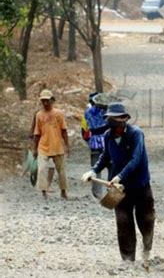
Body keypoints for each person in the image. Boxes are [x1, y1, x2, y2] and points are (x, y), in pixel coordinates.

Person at [81, 102, 155, 263]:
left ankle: (147, 247)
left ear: (124, 119)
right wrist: (94, 170)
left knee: (146, 220)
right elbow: (105, 157)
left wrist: (120, 176)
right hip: (118, 188)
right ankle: (128, 259)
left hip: (140, 184)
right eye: (109, 118)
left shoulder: (136, 134)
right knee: (123, 222)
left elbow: (136, 159)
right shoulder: (108, 135)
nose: (111, 122)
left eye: (114, 118)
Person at [33, 89, 69, 200]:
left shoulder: (59, 113)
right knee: (42, 169)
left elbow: (64, 130)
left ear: (52, 100)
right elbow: (37, 133)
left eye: (47, 100)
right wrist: (34, 149)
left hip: (57, 145)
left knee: (61, 171)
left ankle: (63, 191)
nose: (45, 103)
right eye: (43, 100)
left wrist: (67, 145)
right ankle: (44, 192)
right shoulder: (39, 115)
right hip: (43, 146)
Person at [84, 93, 110, 198]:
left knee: (95, 168)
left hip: (94, 142)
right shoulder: (107, 112)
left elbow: (87, 128)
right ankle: (111, 190)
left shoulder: (87, 112)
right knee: (111, 167)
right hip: (106, 141)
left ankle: (97, 192)